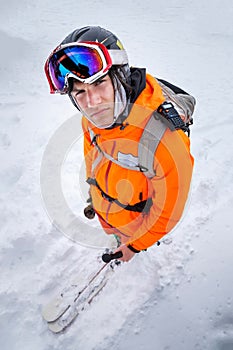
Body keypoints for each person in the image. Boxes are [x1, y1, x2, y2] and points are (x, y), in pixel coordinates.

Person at [44, 26, 195, 262]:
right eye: (80, 92)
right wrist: (95, 197)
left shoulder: (165, 141)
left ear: (120, 76)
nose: (92, 102)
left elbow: (168, 211)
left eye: (99, 83)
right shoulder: (93, 118)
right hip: (111, 215)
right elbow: (93, 157)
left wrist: (135, 246)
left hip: (137, 229)